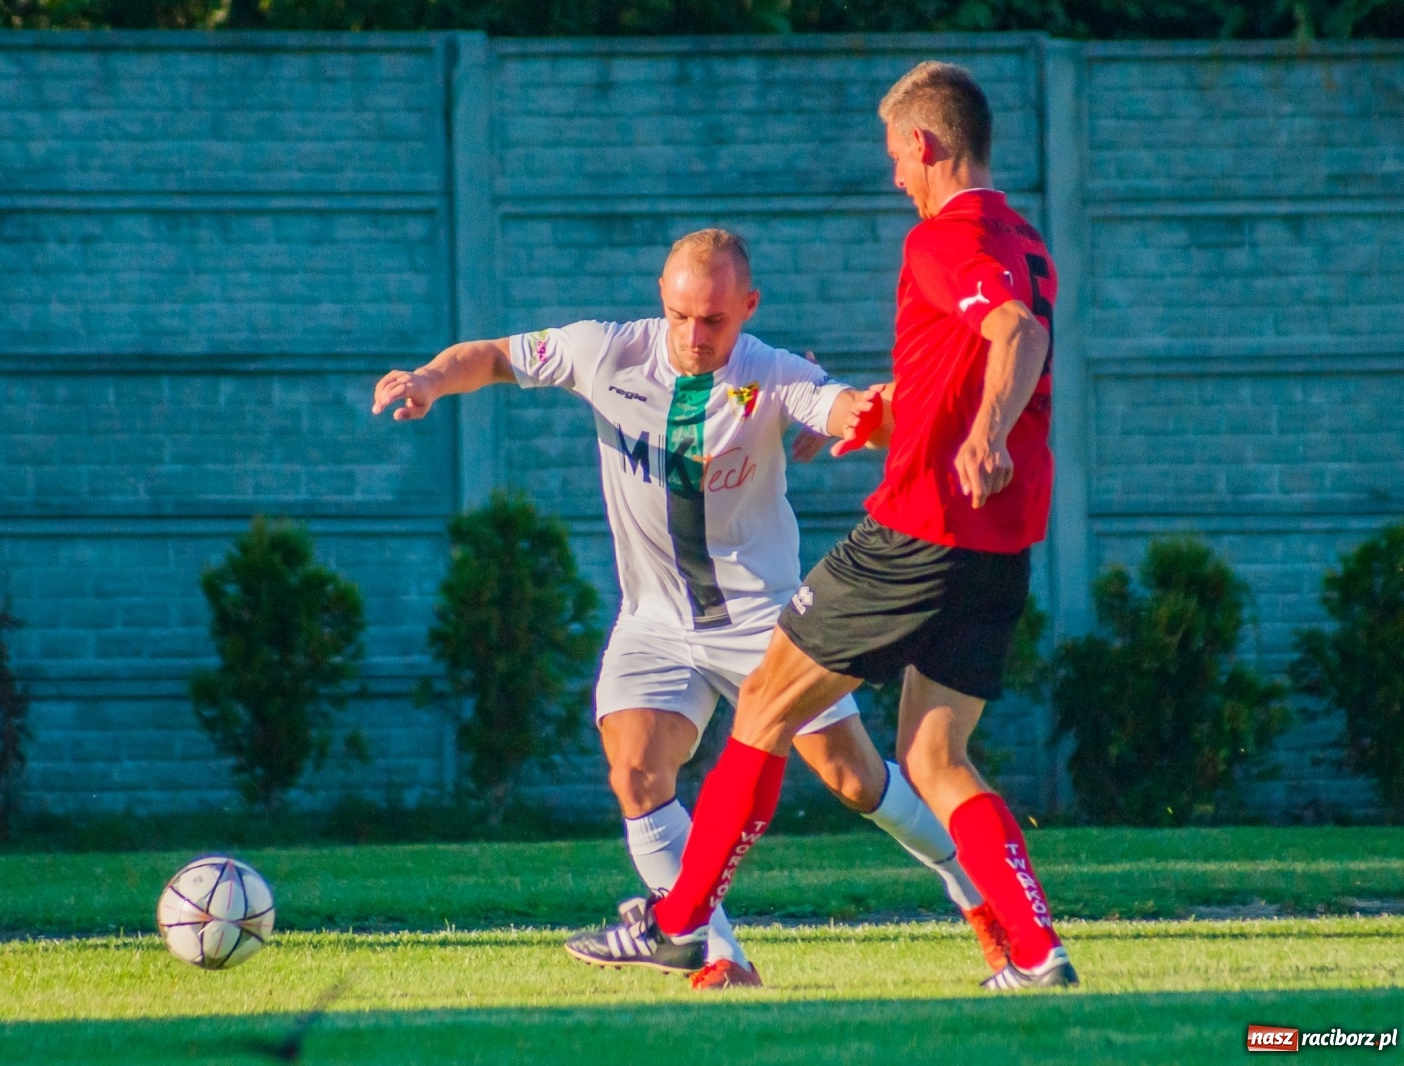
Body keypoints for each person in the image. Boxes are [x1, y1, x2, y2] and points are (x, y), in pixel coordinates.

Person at [373, 227, 1010, 989]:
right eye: (681, 316)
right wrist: (430, 381)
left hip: (767, 623)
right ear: (662, 303)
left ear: (748, 307)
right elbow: (494, 357)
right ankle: (718, 956)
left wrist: (877, 419)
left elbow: (842, 408)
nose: (696, 334)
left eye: (715, 320)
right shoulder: (605, 351)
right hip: (655, 624)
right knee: (637, 773)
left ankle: (979, 896)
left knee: (852, 779)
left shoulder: (770, 373)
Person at [563, 62, 1077, 991]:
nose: (894, 177)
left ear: (924, 145)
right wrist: (896, 422)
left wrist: (984, 437)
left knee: (761, 708)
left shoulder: (941, 237)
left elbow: (1016, 337)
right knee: (933, 754)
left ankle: (680, 926)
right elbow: (985, 345)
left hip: (919, 533)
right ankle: (1038, 954)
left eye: (895, 157)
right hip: (1002, 545)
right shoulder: (1025, 236)